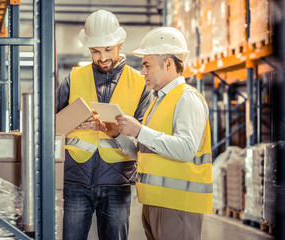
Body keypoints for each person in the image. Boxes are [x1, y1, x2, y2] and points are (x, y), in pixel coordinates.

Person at [56, 10, 153, 240]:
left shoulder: (140, 83)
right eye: (95, 51)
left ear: (120, 43)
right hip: (75, 180)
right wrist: (74, 123)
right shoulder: (73, 78)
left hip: (117, 182)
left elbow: (145, 135)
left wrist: (121, 129)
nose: (102, 57)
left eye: (107, 49)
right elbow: (53, 126)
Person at [114, 27, 213, 240]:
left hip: (177, 206)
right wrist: (118, 135)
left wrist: (139, 130)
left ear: (168, 64)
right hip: (156, 202)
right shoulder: (159, 101)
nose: (143, 72)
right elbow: (148, 152)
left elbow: (186, 149)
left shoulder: (187, 98)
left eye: (147, 65)